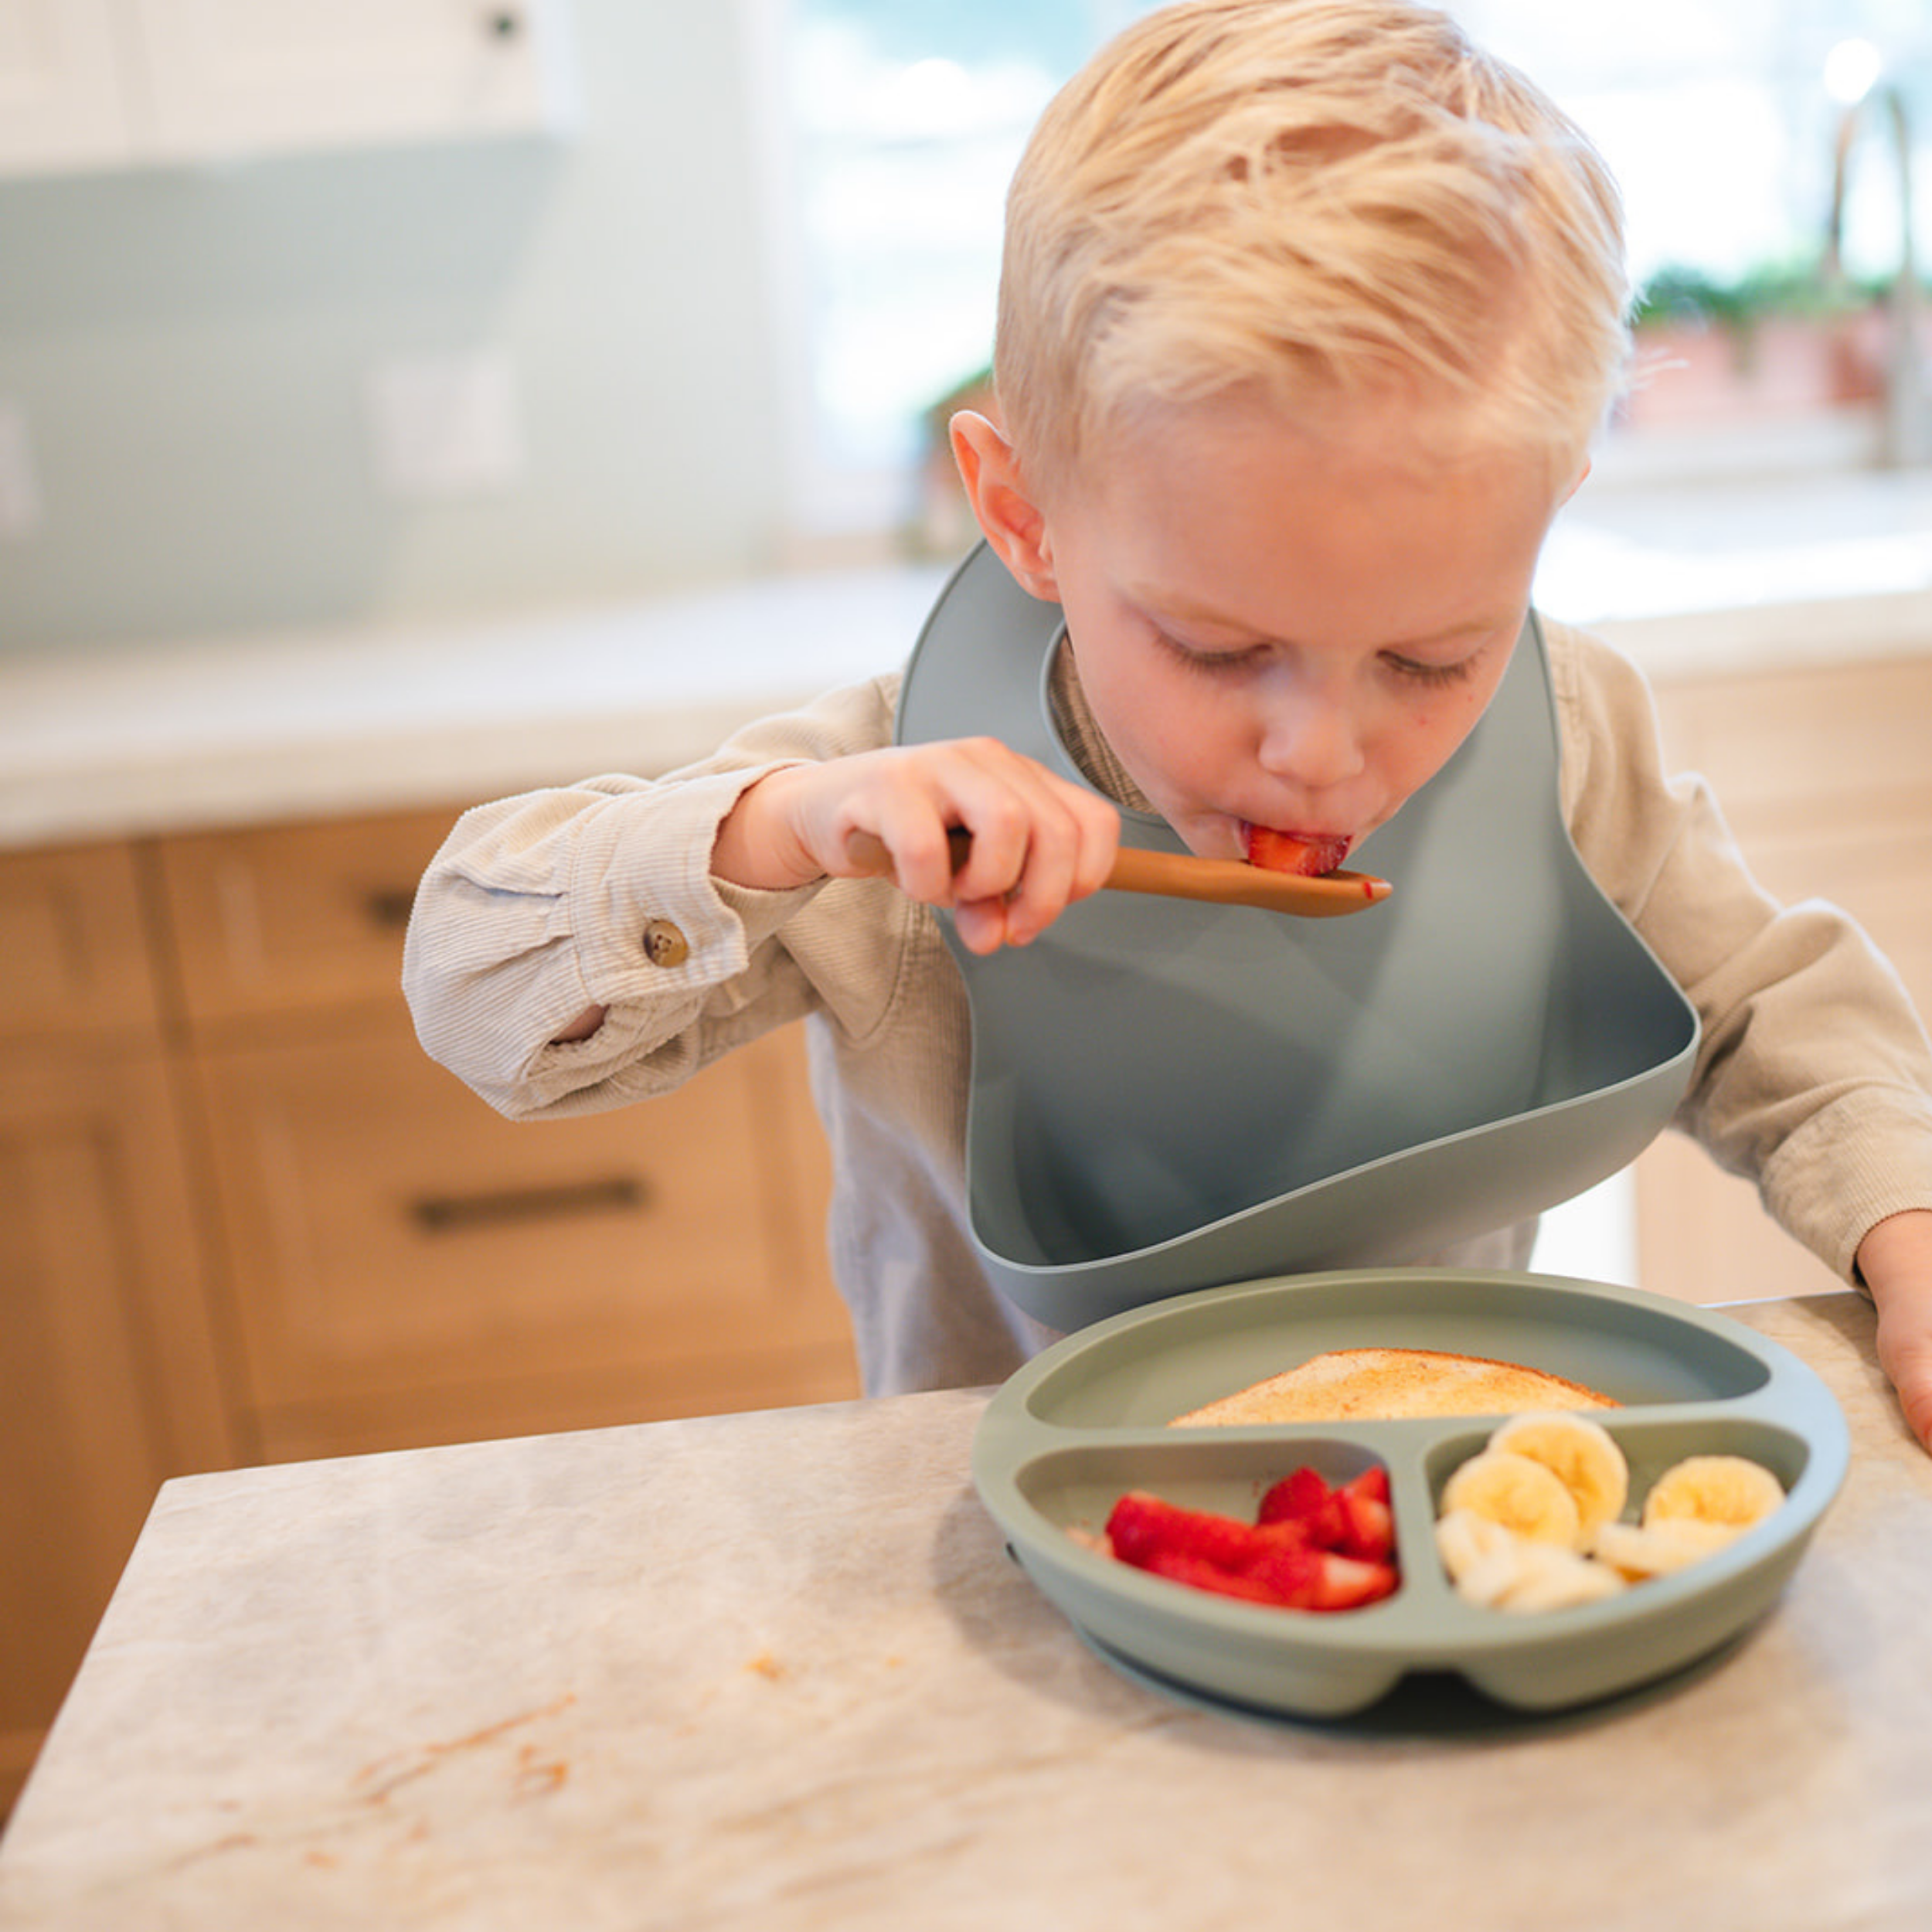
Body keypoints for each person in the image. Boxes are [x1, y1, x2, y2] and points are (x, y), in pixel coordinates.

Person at [402, 0, 1932, 1447]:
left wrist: (1904, 1222)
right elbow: (476, 999)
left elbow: (1763, 1006)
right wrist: (774, 830)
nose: (1321, 751)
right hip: (1007, 1585)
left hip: (1436, 1527)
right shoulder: (887, 807)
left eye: (1428, 656)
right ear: (1023, 515)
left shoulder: (1571, 733)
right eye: (1219, 646)